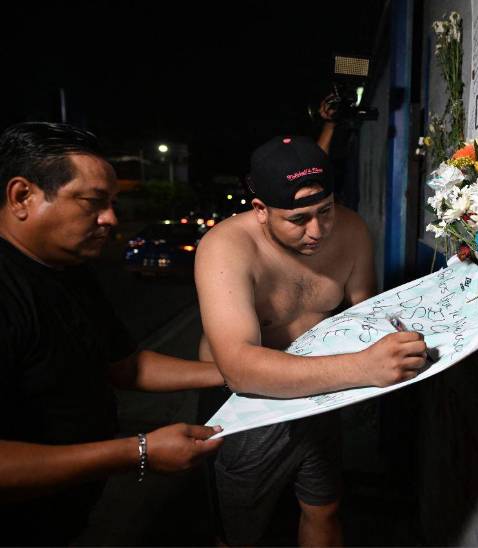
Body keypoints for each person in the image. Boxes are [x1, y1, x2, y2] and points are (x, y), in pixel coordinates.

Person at [0, 122, 226, 546]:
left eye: (113, 202)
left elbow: (126, 365)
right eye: (93, 202)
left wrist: (233, 372)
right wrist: (139, 451)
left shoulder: (69, 269)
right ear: (22, 197)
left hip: (65, 516)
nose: (111, 219)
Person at [195, 134, 427, 546]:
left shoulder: (352, 229)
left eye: (326, 210)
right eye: (299, 219)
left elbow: (367, 317)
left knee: (324, 507)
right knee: (238, 533)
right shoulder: (225, 247)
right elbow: (239, 368)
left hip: (319, 391)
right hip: (246, 406)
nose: (317, 230)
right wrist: (364, 367)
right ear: (261, 210)